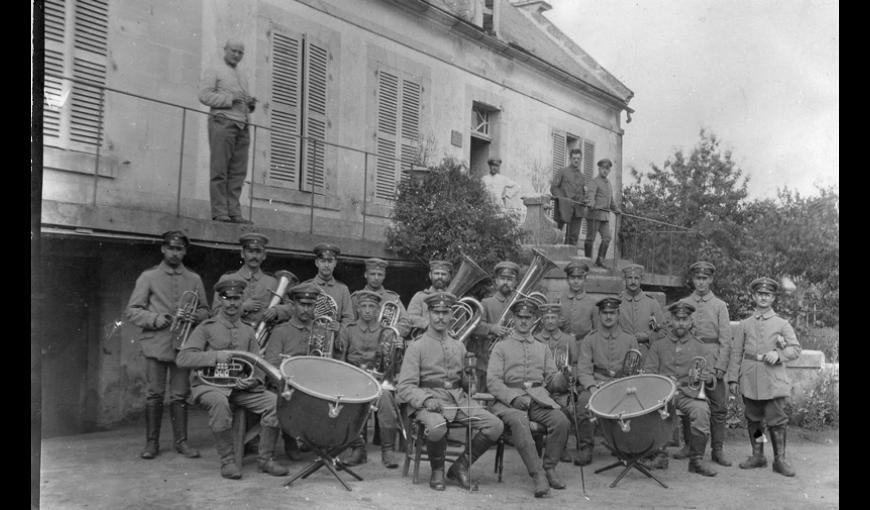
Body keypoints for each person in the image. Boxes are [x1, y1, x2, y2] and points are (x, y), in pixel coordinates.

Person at [176, 279, 288, 480]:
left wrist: (254, 381)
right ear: (220, 299)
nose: (232, 304)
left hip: (241, 389)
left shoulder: (247, 330)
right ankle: (228, 461)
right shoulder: (206, 327)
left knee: (275, 403)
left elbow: (258, 363)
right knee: (220, 404)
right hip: (209, 387)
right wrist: (214, 357)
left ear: (241, 299)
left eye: (237, 298)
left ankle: (266, 459)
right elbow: (183, 358)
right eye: (227, 299)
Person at [397, 292, 504, 491]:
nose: (440, 317)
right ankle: (437, 470)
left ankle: (460, 467)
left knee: (495, 425)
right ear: (429, 314)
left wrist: (470, 377)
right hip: (428, 400)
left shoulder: (458, 345)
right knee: (437, 428)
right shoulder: (416, 346)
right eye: (436, 312)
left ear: (451, 315)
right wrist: (426, 399)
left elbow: (466, 385)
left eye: (445, 313)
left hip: (457, 400)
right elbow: (405, 386)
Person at [125, 230, 210, 460]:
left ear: (185, 251)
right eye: (171, 248)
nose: (175, 253)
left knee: (180, 396)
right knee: (154, 395)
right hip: (156, 344)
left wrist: (196, 317)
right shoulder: (148, 276)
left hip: (183, 346)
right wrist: (155, 319)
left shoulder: (194, 278)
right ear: (163, 249)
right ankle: (151, 444)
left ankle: (181, 442)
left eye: (179, 249)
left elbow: (205, 310)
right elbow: (132, 311)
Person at [487, 299, 571, 498]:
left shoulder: (542, 348)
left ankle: (549, 467)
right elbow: (493, 381)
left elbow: (551, 379)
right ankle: (538, 476)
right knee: (520, 421)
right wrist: (513, 398)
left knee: (561, 421)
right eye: (520, 317)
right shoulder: (501, 347)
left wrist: (563, 377)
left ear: (534, 320)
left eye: (528, 317)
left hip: (537, 399)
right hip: (507, 402)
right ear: (513, 319)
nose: (524, 321)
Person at [727, 277, 801, 477]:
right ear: (754, 296)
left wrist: (779, 355)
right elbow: (736, 353)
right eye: (760, 294)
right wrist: (733, 378)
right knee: (754, 420)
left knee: (777, 420)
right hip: (750, 380)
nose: (763, 298)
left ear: (773, 298)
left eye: (767, 295)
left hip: (773, 380)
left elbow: (795, 349)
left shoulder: (782, 323)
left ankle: (780, 460)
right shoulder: (745, 324)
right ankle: (758, 455)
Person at [643, 301, 718, 477]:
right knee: (653, 410)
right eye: (677, 319)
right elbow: (649, 373)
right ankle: (660, 456)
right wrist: (663, 382)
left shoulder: (700, 346)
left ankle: (696, 460)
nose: (681, 323)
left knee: (702, 411)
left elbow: (710, 375)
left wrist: (708, 379)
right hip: (663, 394)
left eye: (685, 319)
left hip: (689, 394)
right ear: (670, 321)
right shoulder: (658, 345)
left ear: (691, 322)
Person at [676, 261, 732, 467]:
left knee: (718, 408)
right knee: (689, 404)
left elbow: (726, 340)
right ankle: (690, 446)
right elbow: (678, 334)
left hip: (712, 360)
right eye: (698, 278)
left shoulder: (719, 306)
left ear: (711, 280)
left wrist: (720, 367)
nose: (701, 282)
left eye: (705, 278)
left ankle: (717, 450)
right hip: (690, 361)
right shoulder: (684, 302)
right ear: (692, 280)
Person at [338, 290, 401, 469]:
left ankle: (387, 449)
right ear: (357, 308)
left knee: (387, 399)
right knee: (349, 400)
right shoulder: (348, 330)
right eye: (363, 306)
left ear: (378, 309)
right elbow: (340, 360)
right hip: (352, 380)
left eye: (372, 306)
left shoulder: (387, 331)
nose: (367, 310)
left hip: (378, 381)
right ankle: (358, 450)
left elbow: (391, 365)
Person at [575, 296, 640, 465]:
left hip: (621, 384)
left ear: (618, 314)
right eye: (605, 313)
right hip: (597, 382)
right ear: (599, 315)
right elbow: (583, 368)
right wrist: (591, 387)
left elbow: (634, 368)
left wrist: (622, 384)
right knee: (583, 402)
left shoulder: (629, 338)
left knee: (635, 402)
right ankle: (586, 447)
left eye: (612, 313)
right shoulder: (590, 339)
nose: (608, 317)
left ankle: (626, 447)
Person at [198, 39, 257, 224]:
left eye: (241, 52)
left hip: (242, 126)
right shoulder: (214, 69)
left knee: (238, 172)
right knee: (220, 169)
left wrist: (250, 104)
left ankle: (234, 212)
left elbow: (242, 102)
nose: (237, 55)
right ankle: (219, 211)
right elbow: (204, 96)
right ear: (225, 50)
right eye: (234, 51)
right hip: (222, 123)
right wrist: (230, 99)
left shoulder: (242, 73)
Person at [262, 282, 321, 461]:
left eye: (309, 305)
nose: (305, 309)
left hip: (313, 385)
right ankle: (289, 440)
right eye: (301, 304)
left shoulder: (320, 330)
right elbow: (271, 364)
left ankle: (315, 441)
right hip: (287, 386)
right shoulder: (281, 331)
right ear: (293, 305)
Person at [212, 233, 295, 330]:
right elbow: (214, 313)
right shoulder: (227, 279)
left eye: (258, 252)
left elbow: (293, 308)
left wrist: (276, 311)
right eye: (250, 251)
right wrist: (242, 308)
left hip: (263, 340)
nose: (254, 256)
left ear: (264, 255)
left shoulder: (273, 282)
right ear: (242, 254)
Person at [533, 302, 582, 464]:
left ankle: (562, 446)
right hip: (541, 388)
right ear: (542, 320)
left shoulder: (569, 339)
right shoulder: (535, 339)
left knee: (565, 408)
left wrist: (570, 378)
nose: (550, 321)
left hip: (563, 389)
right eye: (546, 318)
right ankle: (540, 442)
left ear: (559, 319)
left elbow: (575, 364)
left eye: (553, 317)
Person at [302, 243, 354, 325]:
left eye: (330, 261)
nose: (326, 265)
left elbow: (349, 318)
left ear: (335, 263)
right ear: (316, 263)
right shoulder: (306, 286)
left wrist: (339, 327)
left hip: (334, 336)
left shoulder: (343, 290)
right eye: (323, 261)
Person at [618, 264, 665, 354]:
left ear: (641, 280)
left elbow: (663, 331)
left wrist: (648, 337)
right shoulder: (618, 303)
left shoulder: (652, 303)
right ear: (625, 279)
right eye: (629, 278)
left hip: (646, 355)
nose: (633, 281)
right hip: (622, 353)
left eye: (636, 278)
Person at [584, 158, 621, 268]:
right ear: (599, 169)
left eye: (607, 169)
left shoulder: (608, 184)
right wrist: (591, 203)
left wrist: (616, 209)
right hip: (594, 214)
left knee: (607, 238)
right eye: (603, 168)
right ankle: (587, 261)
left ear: (609, 171)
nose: (605, 171)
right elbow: (590, 194)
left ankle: (600, 260)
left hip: (604, 216)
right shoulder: (594, 182)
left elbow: (611, 200)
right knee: (590, 238)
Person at [549, 148, 588, 246]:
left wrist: (585, 199)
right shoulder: (562, 171)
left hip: (577, 211)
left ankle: (570, 260)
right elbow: (554, 188)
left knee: (573, 237)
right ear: (570, 158)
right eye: (574, 158)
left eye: (578, 158)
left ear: (581, 159)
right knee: (556, 235)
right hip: (562, 208)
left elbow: (583, 194)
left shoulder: (582, 177)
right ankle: (552, 259)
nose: (576, 160)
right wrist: (563, 199)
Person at [355, 257, 407, 331]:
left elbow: (405, 323)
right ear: (366, 275)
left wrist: (391, 331)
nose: (376, 278)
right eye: (372, 274)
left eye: (380, 275)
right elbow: (349, 323)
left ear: (384, 276)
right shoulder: (356, 297)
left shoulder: (393, 298)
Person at [403, 259, 454, 333]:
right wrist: (428, 324)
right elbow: (409, 318)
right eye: (436, 273)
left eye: (443, 274)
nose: (439, 277)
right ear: (430, 275)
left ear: (449, 277)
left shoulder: (454, 299)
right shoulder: (419, 297)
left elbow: (463, 327)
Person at [558, 258, 598, 341]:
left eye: (579, 278)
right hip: (562, 344)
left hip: (584, 346)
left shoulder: (592, 303)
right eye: (572, 278)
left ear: (585, 279)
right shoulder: (559, 300)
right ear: (567, 280)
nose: (576, 281)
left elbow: (596, 330)